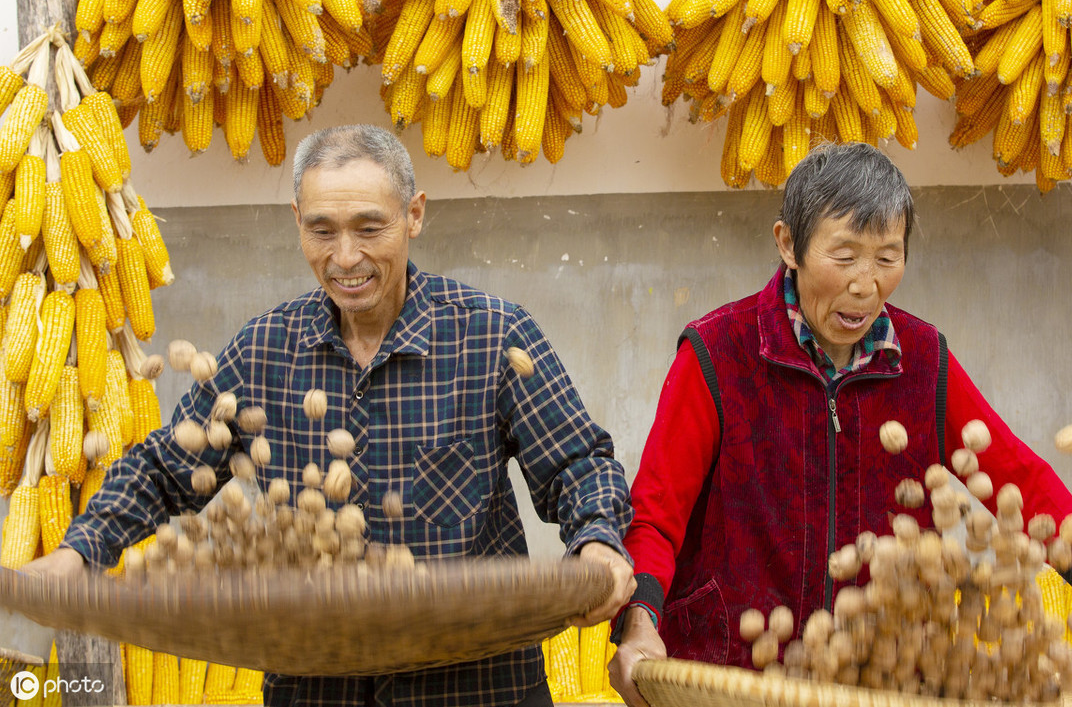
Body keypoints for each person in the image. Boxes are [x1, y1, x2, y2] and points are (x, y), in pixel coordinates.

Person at [24, 124, 636, 707]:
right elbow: (163, 470)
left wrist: (599, 544)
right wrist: (80, 551)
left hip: (473, 683)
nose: (346, 257)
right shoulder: (265, 350)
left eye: (370, 228)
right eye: (322, 231)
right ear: (297, 223)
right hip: (313, 685)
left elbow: (577, 465)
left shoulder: (493, 334)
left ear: (414, 214)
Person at [608, 142, 1072, 705]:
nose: (866, 284)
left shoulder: (922, 358)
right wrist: (639, 625)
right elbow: (658, 514)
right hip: (729, 677)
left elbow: (1016, 479)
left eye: (887, 258)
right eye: (845, 256)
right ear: (788, 244)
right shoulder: (719, 351)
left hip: (876, 679)